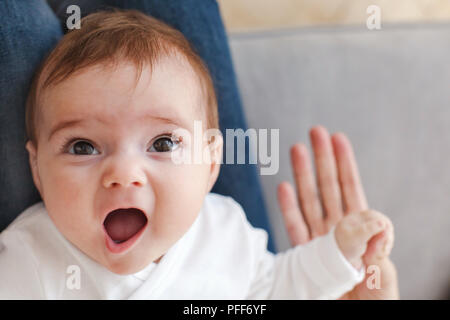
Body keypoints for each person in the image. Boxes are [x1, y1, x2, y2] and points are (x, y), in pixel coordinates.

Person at [0, 10, 398, 299]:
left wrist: (337, 255)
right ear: (36, 167)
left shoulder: (223, 231)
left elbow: (276, 288)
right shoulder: (28, 256)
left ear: (211, 162)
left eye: (162, 144)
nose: (122, 173)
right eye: (82, 146)